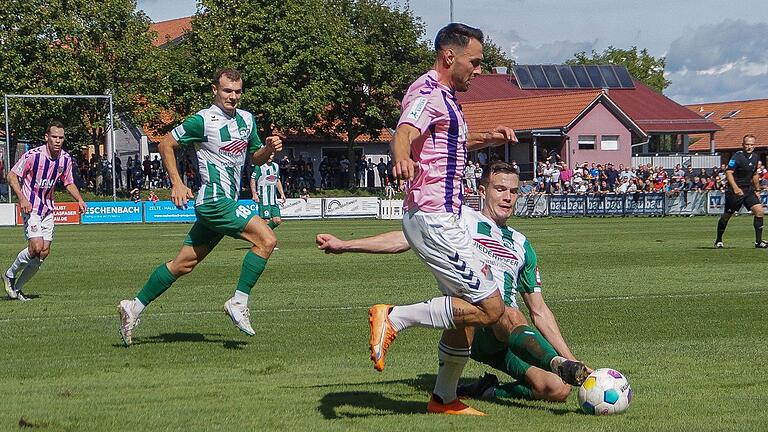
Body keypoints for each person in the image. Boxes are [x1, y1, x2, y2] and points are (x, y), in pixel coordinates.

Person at [317, 162, 588, 403]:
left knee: (557, 390)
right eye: (499, 189)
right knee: (510, 313)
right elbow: (405, 239)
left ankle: (485, 390)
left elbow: (540, 311)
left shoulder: (522, 244)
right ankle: (554, 362)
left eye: (513, 191)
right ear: (482, 191)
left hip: (508, 337)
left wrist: (572, 360)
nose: (507, 197)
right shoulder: (460, 219)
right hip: (477, 321)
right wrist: (345, 245)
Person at [374, 23, 517, 416]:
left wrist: (488, 136)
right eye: (476, 62)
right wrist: (401, 156)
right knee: (491, 310)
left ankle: (444, 399)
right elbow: (404, 130)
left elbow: (449, 142)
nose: (479, 70)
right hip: (434, 217)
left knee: (461, 314)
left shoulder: (450, 99)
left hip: (445, 216)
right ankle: (394, 317)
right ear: (449, 56)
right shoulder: (427, 91)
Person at [117, 68, 283, 346]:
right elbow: (166, 144)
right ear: (214, 90)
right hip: (213, 200)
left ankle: (133, 307)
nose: (233, 96)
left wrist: (268, 148)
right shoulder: (202, 121)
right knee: (267, 239)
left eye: (237, 91)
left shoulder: (247, 119)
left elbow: (256, 158)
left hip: (226, 201)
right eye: (227, 90)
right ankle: (238, 302)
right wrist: (177, 184)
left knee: (183, 264)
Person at [3, 121, 87, 300]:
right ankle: (9, 275)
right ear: (46, 137)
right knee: (36, 247)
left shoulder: (65, 159)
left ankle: (17, 289)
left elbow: (68, 182)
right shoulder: (33, 156)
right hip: (31, 207)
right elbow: (11, 175)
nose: (57, 140)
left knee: (43, 253)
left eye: (61, 137)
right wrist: (22, 198)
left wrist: (79, 199)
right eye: (54, 137)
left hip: (48, 209)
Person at [715, 134, 767, 248]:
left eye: (752, 144)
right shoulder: (737, 156)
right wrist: (735, 188)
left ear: (754, 145)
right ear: (743, 145)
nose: (749, 146)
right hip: (735, 191)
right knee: (726, 216)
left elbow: (754, 174)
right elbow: (728, 172)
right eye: (747, 144)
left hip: (748, 190)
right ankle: (718, 240)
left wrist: (757, 189)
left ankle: (758, 242)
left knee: (759, 211)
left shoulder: (755, 157)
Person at [250, 153, 287, 230]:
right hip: (263, 197)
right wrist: (254, 193)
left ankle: (264, 234)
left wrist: (282, 194)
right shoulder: (259, 166)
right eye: (268, 154)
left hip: (273, 198)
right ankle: (263, 237)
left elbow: (277, 180)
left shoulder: (275, 166)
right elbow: (253, 179)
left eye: (272, 154)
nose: (270, 156)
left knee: (277, 220)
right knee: (265, 220)